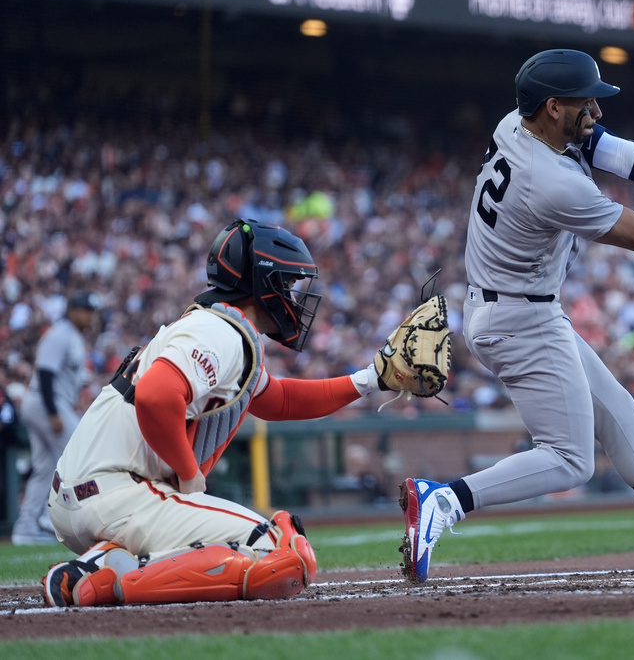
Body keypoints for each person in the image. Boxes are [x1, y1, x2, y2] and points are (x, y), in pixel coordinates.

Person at [398, 49, 634, 583]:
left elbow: (614, 151)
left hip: (515, 307)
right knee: (571, 460)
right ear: (553, 106)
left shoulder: (517, 123)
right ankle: (447, 499)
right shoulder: (552, 182)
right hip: (519, 320)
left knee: (619, 412)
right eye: (585, 103)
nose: (595, 111)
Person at [42, 219, 398, 607]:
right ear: (266, 283)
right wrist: (189, 472)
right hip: (119, 493)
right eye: (289, 284)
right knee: (280, 553)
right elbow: (155, 396)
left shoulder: (218, 325)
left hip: (90, 497)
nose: (294, 298)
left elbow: (278, 400)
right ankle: (103, 582)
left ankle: (106, 563)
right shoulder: (222, 332)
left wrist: (370, 380)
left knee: (268, 551)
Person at [11, 290, 101, 545]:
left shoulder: (72, 335)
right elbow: (46, 373)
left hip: (48, 403)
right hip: (44, 403)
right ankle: (48, 518)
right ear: (72, 310)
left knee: (44, 468)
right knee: (79, 454)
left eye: (92, 311)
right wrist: (52, 413)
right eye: (86, 310)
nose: (90, 316)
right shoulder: (61, 333)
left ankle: (26, 528)